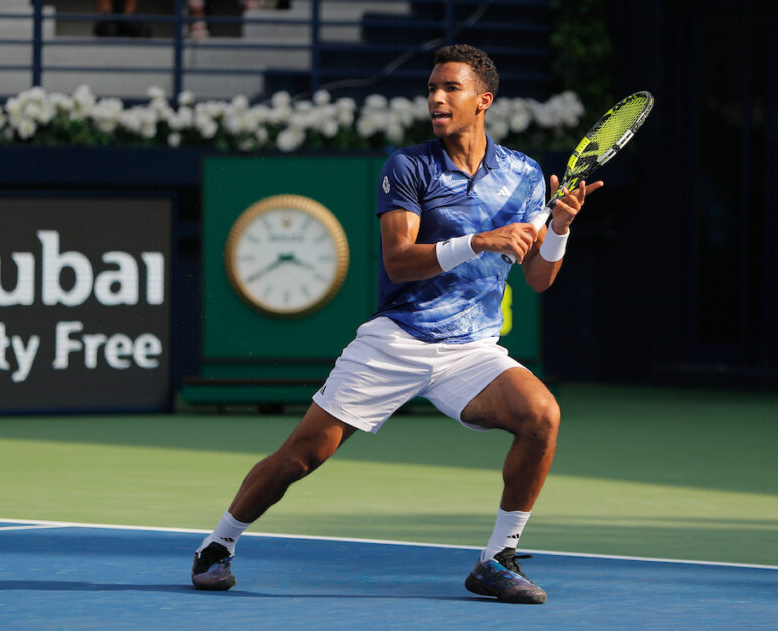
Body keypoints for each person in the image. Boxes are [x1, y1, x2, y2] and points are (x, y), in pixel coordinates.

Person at [190, 43, 602, 604]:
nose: (436, 97)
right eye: (432, 88)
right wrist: (480, 240)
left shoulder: (525, 175)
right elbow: (399, 261)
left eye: (450, 88)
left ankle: (496, 558)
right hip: (396, 340)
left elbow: (538, 279)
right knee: (300, 457)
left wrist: (559, 228)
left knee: (542, 416)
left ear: (483, 100)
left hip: (471, 350)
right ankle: (219, 542)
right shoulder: (408, 167)